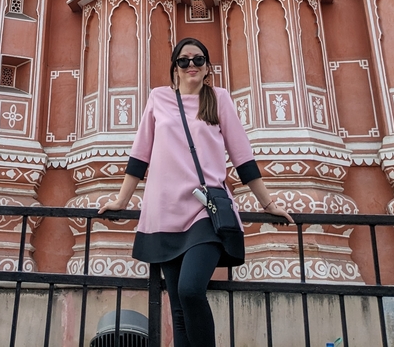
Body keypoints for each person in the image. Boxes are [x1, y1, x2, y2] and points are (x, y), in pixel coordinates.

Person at [99, 36, 294, 347]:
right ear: (175, 68)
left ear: (207, 68)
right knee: (177, 306)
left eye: (198, 60)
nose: (191, 65)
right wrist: (122, 199)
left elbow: (243, 156)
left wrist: (267, 202)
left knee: (191, 290)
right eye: (184, 60)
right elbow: (140, 155)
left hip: (205, 210)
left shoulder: (218, 99)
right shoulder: (158, 98)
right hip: (163, 212)